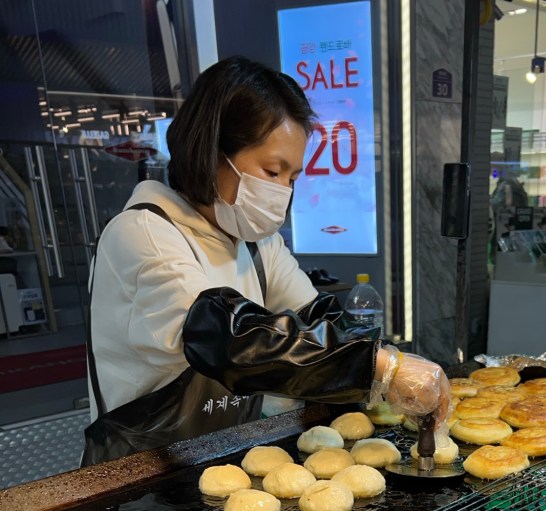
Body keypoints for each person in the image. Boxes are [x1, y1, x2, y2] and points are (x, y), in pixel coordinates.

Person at [85, 56, 449, 464]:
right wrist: (379, 367)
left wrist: (391, 361)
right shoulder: (144, 233)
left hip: (230, 454)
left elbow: (318, 322)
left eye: (292, 178)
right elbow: (225, 338)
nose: (283, 192)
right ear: (211, 151)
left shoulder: (257, 244)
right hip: (140, 471)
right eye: (273, 171)